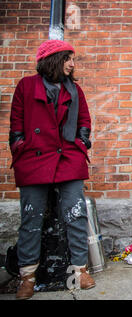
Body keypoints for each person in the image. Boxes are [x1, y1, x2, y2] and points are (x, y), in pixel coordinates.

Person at [9, 39, 95, 299]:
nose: (72, 63)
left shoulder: (74, 90)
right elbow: (16, 122)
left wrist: (82, 142)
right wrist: (20, 146)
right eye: (68, 58)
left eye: (72, 58)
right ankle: (27, 276)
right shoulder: (26, 86)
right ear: (54, 59)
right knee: (31, 218)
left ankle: (80, 270)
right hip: (34, 158)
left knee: (76, 214)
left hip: (68, 156)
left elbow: (84, 121)